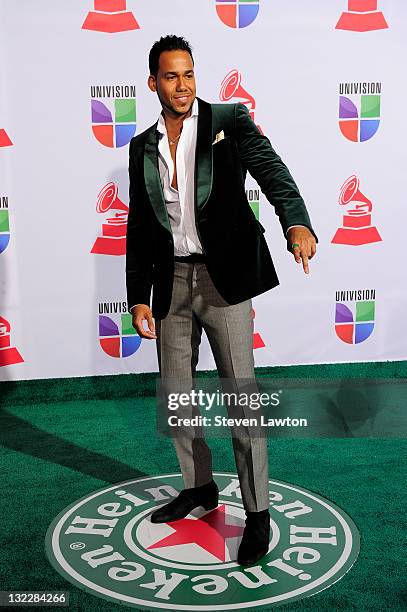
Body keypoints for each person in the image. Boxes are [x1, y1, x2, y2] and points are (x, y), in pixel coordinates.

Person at [126, 35, 317, 566]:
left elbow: (273, 172)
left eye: (188, 74)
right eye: (170, 76)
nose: (182, 85)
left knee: (242, 399)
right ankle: (199, 487)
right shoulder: (141, 145)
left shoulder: (228, 121)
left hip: (224, 281)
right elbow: (139, 226)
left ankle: (257, 514)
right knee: (177, 397)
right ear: (153, 83)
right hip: (171, 285)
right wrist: (136, 297)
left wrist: (295, 220)